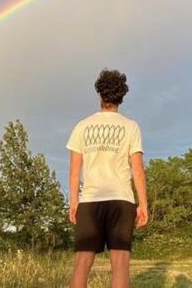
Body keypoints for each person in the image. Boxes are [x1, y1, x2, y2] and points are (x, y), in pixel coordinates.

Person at [67, 68, 148, 288]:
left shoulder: (81, 126)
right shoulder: (131, 127)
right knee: (120, 264)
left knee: (82, 263)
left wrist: (74, 202)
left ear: (100, 95)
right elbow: (137, 170)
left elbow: (75, 171)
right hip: (122, 200)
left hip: (90, 201)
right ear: (121, 96)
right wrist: (143, 205)